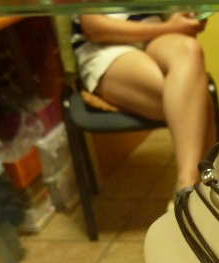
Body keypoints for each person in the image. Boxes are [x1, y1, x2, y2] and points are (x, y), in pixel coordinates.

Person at [72, 13, 210, 202]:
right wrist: (172, 27)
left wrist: (189, 16)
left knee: (190, 50)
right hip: (104, 46)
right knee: (195, 96)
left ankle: (191, 193)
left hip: (153, 34)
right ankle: (192, 189)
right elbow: (94, 29)